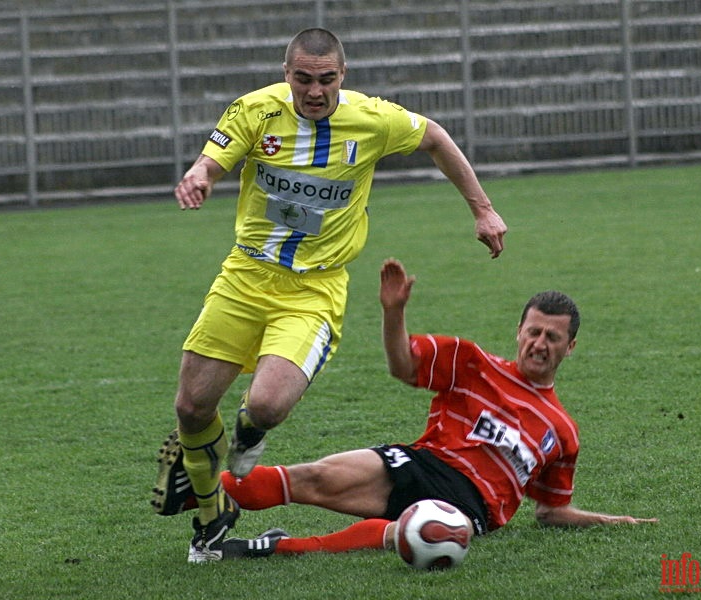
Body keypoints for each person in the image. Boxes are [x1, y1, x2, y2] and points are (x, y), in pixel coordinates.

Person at [153, 28, 508, 563]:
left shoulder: (371, 119)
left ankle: (245, 438)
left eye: (325, 79)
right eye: (302, 79)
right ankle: (211, 517)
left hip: (314, 288)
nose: (314, 91)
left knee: (267, 406)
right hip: (245, 276)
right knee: (191, 406)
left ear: (343, 75)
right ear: (286, 73)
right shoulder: (255, 111)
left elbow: (434, 135)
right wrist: (200, 176)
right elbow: (213, 158)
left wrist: (482, 208)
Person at [152, 259, 657, 560]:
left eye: (553, 337)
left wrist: (616, 521)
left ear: (570, 348)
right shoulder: (472, 361)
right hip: (421, 463)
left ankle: (269, 548)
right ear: (519, 331)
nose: (539, 343)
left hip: (470, 506)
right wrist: (394, 313)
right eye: (534, 331)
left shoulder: (563, 431)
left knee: (415, 533)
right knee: (312, 477)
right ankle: (200, 491)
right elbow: (403, 366)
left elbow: (551, 511)